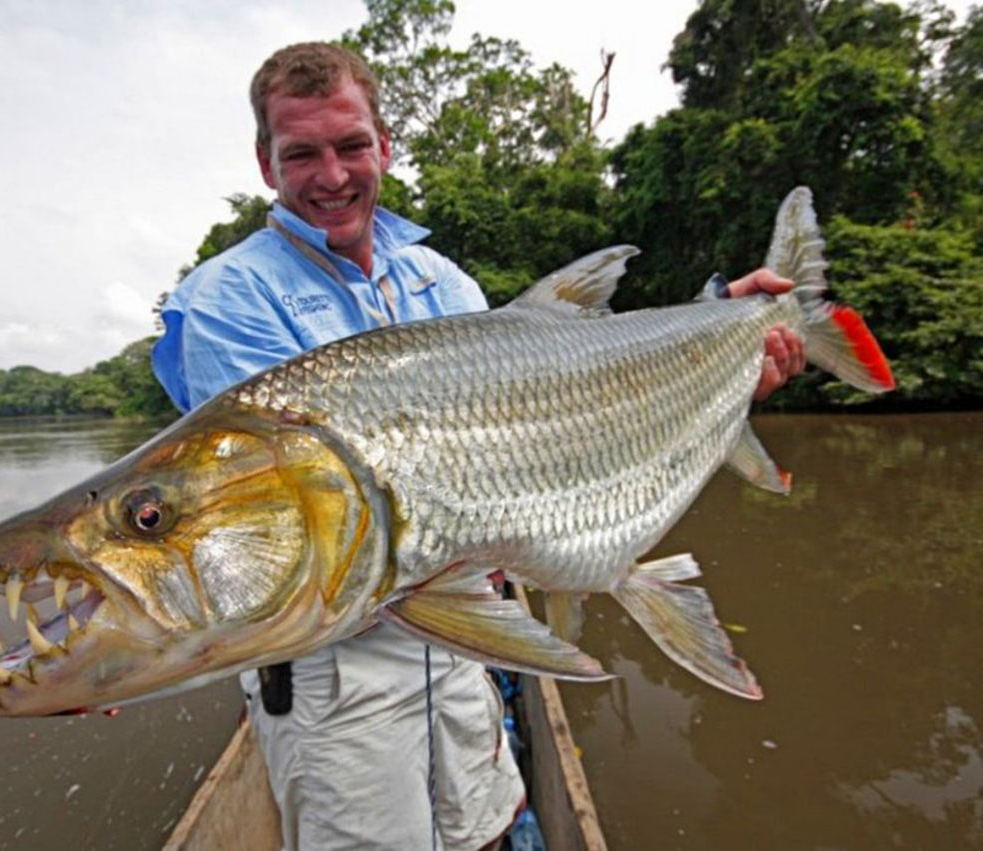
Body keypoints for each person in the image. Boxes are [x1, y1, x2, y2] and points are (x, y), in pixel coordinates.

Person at [152, 42, 803, 851]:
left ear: (384, 145)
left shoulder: (443, 282)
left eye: (351, 146)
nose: (331, 175)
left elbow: (565, 397)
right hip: (337, 677)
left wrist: (719, 339)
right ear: (265, 162)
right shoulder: (226, 301)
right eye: (302, 154)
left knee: (489, 827)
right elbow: (280, 534)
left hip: (463, 640)